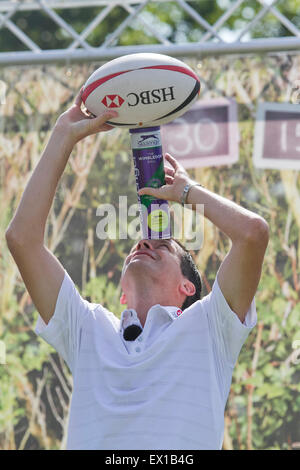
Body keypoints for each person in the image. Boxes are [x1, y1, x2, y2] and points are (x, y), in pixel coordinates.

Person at [6, 89, 269, 450]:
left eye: (163, 246)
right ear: (122, 294)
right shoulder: (88, 328)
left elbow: (253, 234)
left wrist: (188, 192)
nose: (144, 243)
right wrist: (63, 135)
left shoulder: (212, 329)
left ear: (188, 288)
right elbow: (22, 239)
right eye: (141, 245)